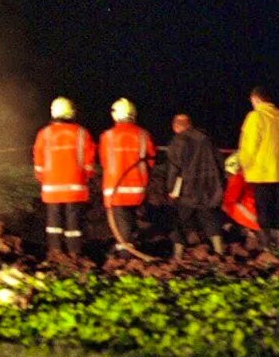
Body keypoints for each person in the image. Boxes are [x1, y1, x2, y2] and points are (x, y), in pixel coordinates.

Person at [33, 97, 96, 256]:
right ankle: (74, 252)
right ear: (72, 113)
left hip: (51, 185)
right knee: (73, 217)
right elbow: (89, 160)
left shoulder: (44, 133)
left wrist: (42, 177)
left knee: (53, 217)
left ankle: (55, 251)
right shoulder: (82, 133)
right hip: (76, 185)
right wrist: (86, 176)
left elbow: (39, 159)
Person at [237, 86, 279, 250]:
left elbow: (250, 145)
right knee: (276, 209)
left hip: (261, 171)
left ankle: (266, 247)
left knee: (263, 209)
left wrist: (243, 164)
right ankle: (278, 246)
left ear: (255, 99)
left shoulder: (256, 117)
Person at [99, 98, 155, 258]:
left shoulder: (108, 136)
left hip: (115, 189)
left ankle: (126, 256)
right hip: (138, 188)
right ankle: (130, 249)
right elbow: (150, 160)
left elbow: (104, 161)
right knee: (132, 220)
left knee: (122, 223)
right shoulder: (143, 135)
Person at [166, 114, 225, 258]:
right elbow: (220, 163)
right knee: (210, 218)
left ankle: (178, 256)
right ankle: (220, 252)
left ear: (176, 127)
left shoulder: (179, 140)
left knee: (179, 220)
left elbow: (174, 168)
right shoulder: (207, 139)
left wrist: (171, 188)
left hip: (187, 189)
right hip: (208, 188)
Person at [221, 153, 260, 233]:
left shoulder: (237, 178)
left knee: (227, 204)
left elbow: (229, 201)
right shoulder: (253, 174)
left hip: (253, 215)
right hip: (258, 212)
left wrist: (250, 217)